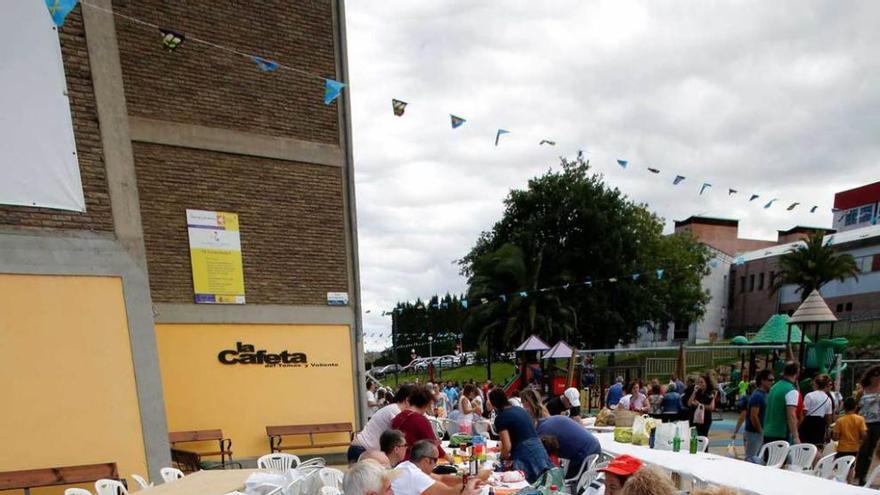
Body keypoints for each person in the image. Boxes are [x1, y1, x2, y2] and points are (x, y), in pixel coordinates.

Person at [520, 389, 602, 479]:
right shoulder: (548, 420)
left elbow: (537, 456)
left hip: (586, 452)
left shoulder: (543, 431)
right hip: (591, 446)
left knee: (569, 484)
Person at [489, 388, 553, 483]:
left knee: (527, 483)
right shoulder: (519, 409)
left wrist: (501, 459)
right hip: (538, 445)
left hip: (525, 451)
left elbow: (507, 446)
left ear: (493, 404)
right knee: (544, 481)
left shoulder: (501, 418)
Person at [349, 384, 414, 462]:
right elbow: (401, 437)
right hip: (362, 450)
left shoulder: (392, 408)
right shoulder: (396, 412)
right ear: (407, 400)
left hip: (361, 448)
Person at [391, 440, 482, 495]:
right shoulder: (415, 475)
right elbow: (448, 493)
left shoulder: (407, 466)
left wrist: (465, 479)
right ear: (426, 460)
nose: (436, 465)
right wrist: (473, 481)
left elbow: (441, 478)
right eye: (435, 460)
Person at [391, 385, 448, 462]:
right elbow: (432, 444)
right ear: (426, 404)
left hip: (396, 460)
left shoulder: (398, 417)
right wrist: (448, 458)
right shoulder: (421, 420)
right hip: (413, 463)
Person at [763, 361, 801, 446]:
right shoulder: (791, 390)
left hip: (767, 431)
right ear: (797, 373)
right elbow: (791, 415)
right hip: (780, 434)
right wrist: (796, 436)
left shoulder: (774, 387)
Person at [855, 365, 880, 485]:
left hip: (877, 423)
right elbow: (856, 407)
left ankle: (865, 475)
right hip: (863, 422)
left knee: (872, 450)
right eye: (876, 375)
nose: (877, 378)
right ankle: (859, 473)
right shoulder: (863, 391)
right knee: (863, 449)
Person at [742, 369, 773, 462]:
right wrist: (761, 431)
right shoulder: (757, 395)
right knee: (751, 459)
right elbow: (753, 416)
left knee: (757, 458)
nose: (772, 382)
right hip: (754, 433)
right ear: (762, 381)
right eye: (770, 380)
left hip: (757, 432)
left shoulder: (765, 394)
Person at [799, 373, 833, 451]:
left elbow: (804, 412)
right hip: (820, 424)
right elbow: (828, 417)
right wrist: (828, 430)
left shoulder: (809, 395)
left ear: (816, 384)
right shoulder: (828, 399)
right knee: (817, 447)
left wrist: (799, 425)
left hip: (808, 422)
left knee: (805, 446)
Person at [834, 397, 867, 462]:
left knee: (841, 468)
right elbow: (864, 435)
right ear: (855, 407)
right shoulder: (860, 419)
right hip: (855, 449)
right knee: (852, 467)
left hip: (842, 449)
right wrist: (861, 443)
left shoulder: (839, 420)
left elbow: (836, 437)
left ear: (844, 407)